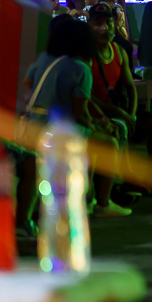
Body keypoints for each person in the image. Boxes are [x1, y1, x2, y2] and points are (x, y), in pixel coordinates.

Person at [23, 16, 125, 217]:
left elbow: (28, 82)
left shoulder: (45, 58)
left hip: (34, 126)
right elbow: (80, 116)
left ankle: (87, 197)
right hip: (58, 133)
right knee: (109, 143)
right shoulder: (81, 69)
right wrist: (101, 125)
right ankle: (103, 203)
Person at [87, 4, 152, 172]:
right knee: (120, 125)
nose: (104, 28)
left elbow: (131, 89)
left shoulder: (118, 51)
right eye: (98, 23)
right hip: (95, 113)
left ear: (115, 23)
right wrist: (122, 114)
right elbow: (85, 97)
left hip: (118, 109)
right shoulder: (86, 55)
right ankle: (125, 178)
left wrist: (131, 113)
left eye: (108, 22)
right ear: (89, 26)